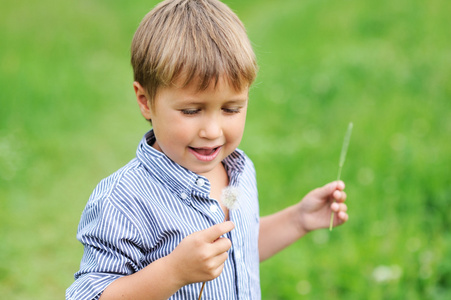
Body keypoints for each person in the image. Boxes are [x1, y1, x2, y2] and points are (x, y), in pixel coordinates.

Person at [66, 0, 349, 299]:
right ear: (145, 101)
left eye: (231, 109)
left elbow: (238, 248)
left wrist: (297, 220)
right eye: (191, 110)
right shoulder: (124, 201)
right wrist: (173, 272)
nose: (212, 131)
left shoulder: (238, 172)